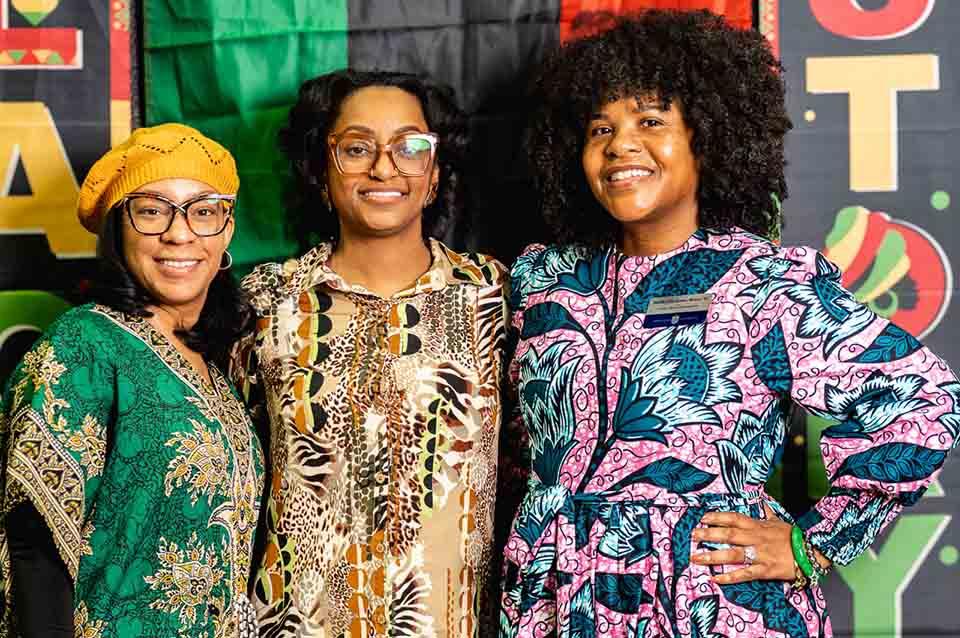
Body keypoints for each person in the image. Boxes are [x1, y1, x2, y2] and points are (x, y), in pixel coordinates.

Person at [498, 10, 959, 637]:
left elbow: (924, 397)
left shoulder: (763, 282)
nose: (620, 145)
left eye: (651, 122)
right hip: (557, 599)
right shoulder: (541, 280)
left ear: (706, 141)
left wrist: (812, 543)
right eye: (599, 128)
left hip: (709, 603)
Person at [230, 70, 508, 637]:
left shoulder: (495, 295)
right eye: (357, 148)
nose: (384, 167)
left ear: (433, 177)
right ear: (321, 171)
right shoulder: (265, 302)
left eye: (410, 147)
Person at [0, 123, 264, 638]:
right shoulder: (86, 344)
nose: (180, 233)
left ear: (227, 230)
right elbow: (36, 542)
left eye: (204, 211)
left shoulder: (217, 364)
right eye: (151, 210)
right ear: (118, 230)